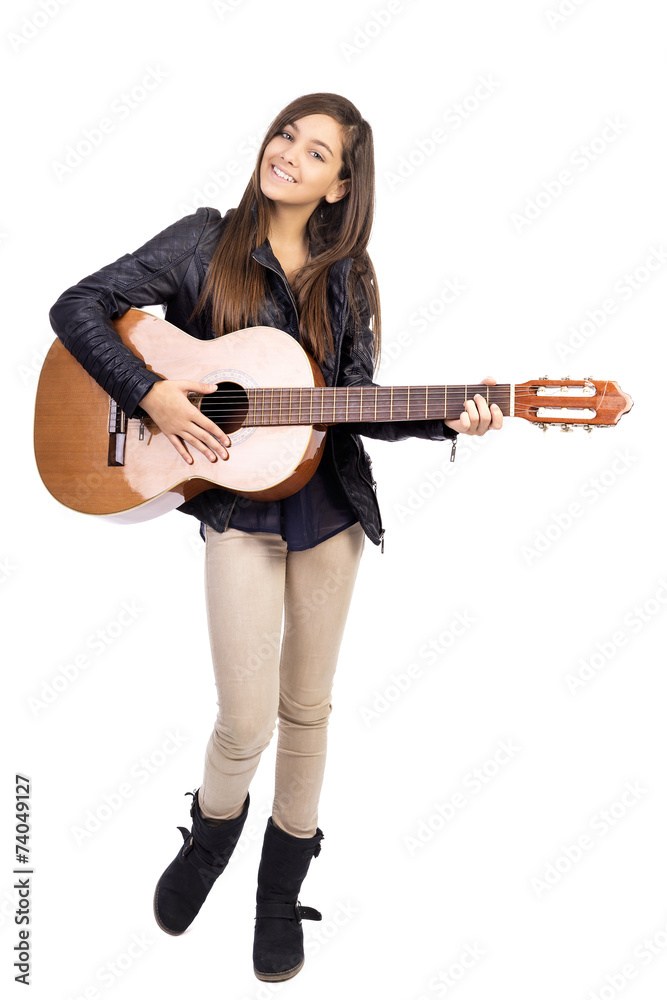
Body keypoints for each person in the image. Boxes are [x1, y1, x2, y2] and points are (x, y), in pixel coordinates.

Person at [48, 92, 503, 982]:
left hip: (326, 505)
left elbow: (359, 404)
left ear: (340, 185)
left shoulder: (350, 277)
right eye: (286, 133)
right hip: (237, 507)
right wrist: (152, 394)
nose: (289, 152)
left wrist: (455, 418)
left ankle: (277, 889)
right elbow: (77, 307)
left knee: (307, 711)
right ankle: (211, 839)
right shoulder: (204, 240)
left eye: (317, 150)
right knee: (245, 719)